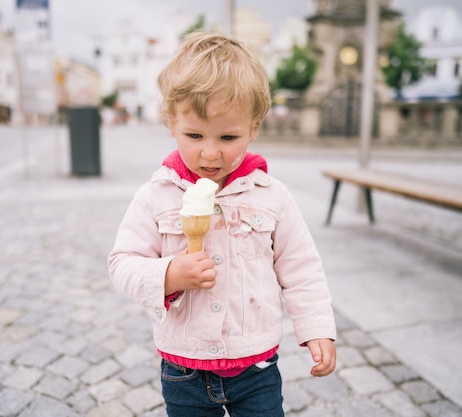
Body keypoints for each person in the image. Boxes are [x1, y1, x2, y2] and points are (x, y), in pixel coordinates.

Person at [108, 31, 336, 417]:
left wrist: (316, 327)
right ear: (171, 123)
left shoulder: (271, 195)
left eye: (228, 137)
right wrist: (168, 274)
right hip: (183, 368)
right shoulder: (156, 195)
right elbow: (121, 263)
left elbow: (301, 268)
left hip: (257, 368)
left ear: (254, 127)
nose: (210, 153)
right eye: (194, 135)